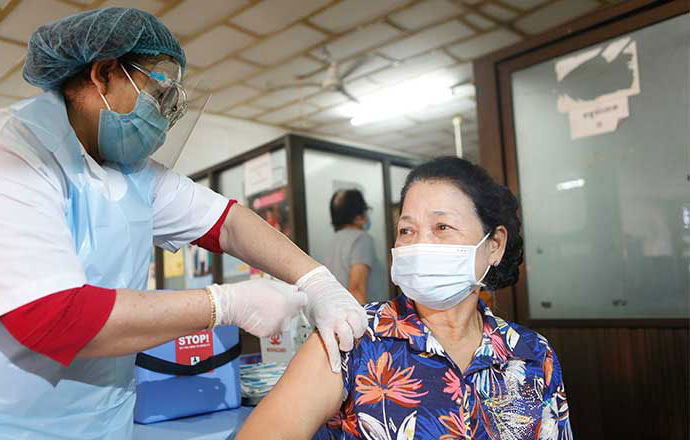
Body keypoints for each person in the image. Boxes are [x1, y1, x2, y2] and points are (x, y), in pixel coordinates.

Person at [0, 8, 366, 439]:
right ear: (104, 74)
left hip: (102, 422)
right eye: (159, 92)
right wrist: (226, 305)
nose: (166, 114)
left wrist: (317, 281)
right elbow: (54, 317)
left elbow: (227, 223)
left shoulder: (131, 173)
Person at [238, 156, 573, 440]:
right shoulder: (351, 339)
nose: (417, 244)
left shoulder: (531, 354)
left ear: (494, 245)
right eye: (406, 230)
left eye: (442, 227)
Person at [323, 189, 378, 304]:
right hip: (357, 315)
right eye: (365, 210)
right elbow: (357, 289)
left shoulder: (331, 242)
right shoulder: (362, 239)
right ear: (358, 217)